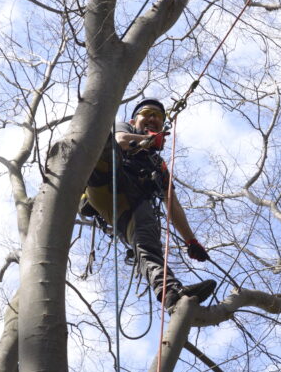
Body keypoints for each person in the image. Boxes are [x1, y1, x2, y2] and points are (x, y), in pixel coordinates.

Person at [83, 98, 215, 309]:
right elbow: (119, 140)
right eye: (148, 114)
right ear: (135, 119)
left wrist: (191, 241)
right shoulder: (124, 128)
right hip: (107, 185)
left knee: (148, 241)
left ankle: (170, 293)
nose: (153, 118)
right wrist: (149, 140)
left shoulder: (157, 164)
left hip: (132, 204)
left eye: (158, 117)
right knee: (104, 143)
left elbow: (172, 203)